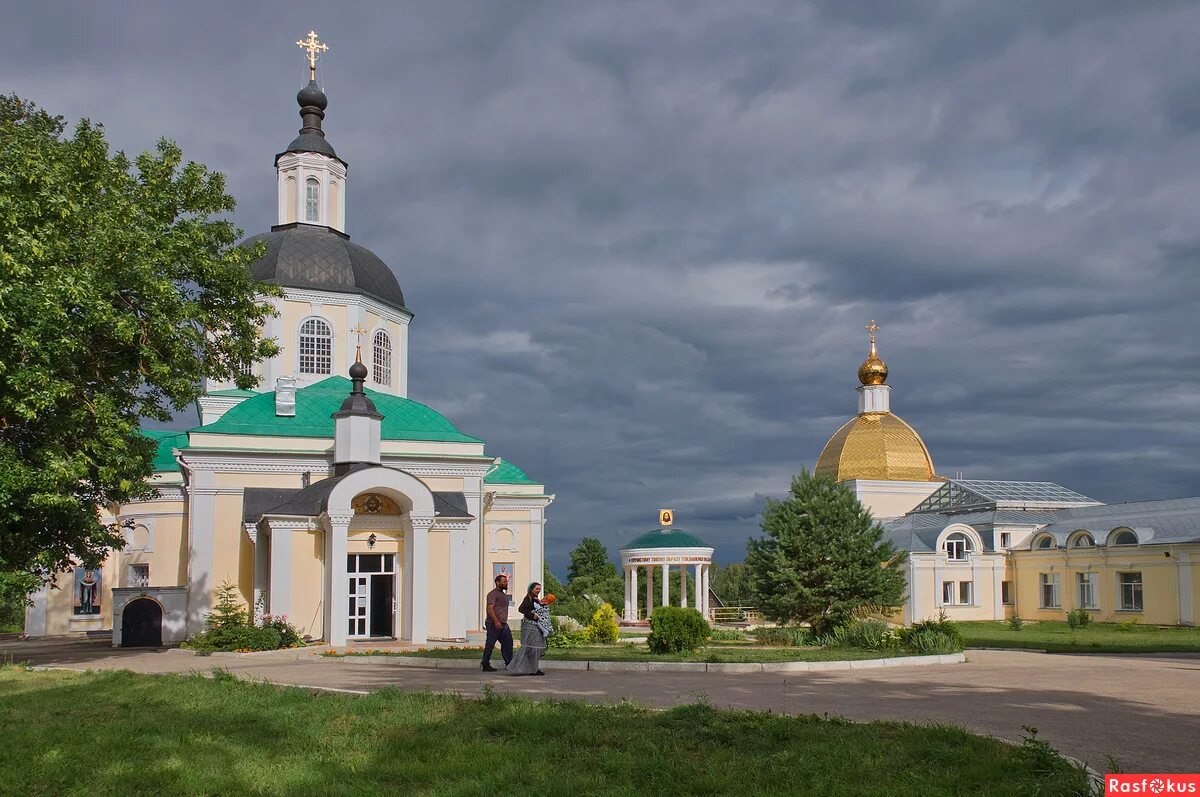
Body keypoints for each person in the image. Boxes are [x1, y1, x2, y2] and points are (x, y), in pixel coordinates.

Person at [506, 582, 554, 676]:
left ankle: (533, 669)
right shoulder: (528, 599)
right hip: (530, 626)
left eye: (539, 589)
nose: (538, 590)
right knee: (530, 648)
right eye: (537, 589)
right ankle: (523, 668)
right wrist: (532, 616)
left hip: (534, 627)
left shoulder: (535, 599)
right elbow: (521, 609)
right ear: (531, 589)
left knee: (534, 649)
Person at [481, 573, 513, 672]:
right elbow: (489, 609)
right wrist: (496, 621)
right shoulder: (492, 594)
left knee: (508, 643)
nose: (506, 583)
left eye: (506, 581)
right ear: (497, 582)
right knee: (490, 644)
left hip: (503, 624)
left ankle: (509, 664)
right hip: (493, 624)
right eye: (504, 582)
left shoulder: (503, 594)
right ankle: (485, 664)